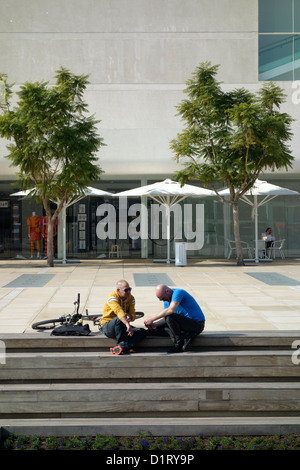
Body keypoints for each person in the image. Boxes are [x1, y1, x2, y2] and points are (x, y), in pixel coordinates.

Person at [144, 284, 205, 353]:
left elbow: (171, 311)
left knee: (170, 317)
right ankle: (187, 336)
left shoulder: (178, 292)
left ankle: (178, 344)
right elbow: (166, 318)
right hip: (185, 325)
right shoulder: (167, 300)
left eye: (163, 298)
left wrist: (152, 318)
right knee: (158, 329)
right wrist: (155, 324)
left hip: (197, 325)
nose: (164, 301)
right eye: (161, 300)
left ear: (167, 291)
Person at [101, 279, 147, 355]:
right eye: (126, 290)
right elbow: (118, 311)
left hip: (123, 327)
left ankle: (121, 347)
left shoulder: (131, 298)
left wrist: (130, 316)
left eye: (130, 289)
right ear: (118, 290)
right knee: (119, 319)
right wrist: (127, 324)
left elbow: (133, 314)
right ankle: (122, 345)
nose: (129, 292)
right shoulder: (112, 297)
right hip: (108, 327)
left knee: (142, 331)